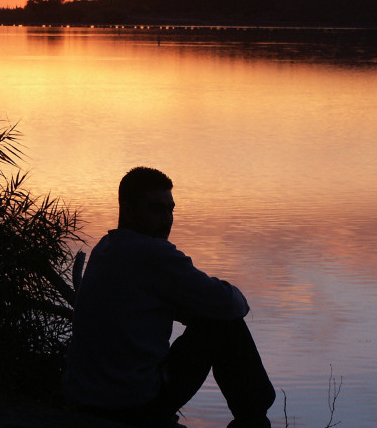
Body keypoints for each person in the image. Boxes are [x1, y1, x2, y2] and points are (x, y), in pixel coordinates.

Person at [62, 167, 275, 428]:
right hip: (132, 405)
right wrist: (217, 303)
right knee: (224, 325)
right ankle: (253, 421)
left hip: (85, 398)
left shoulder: (106, 248)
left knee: (211, 315)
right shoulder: (152, 253)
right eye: (156, 210)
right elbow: (229, 304)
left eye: (170, 210)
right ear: (127, 210)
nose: (167, 220)